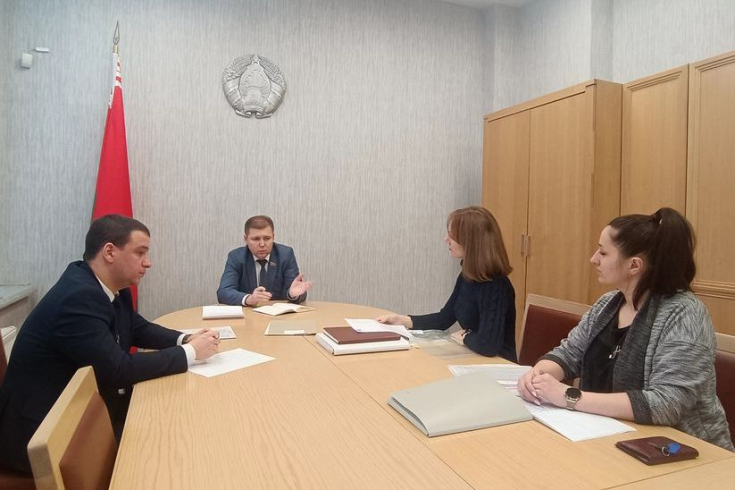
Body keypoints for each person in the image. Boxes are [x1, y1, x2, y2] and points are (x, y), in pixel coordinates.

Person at [0, 215, 221, 473]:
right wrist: (191, 352)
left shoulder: (108, 285)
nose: (148, 262)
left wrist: (185, 338)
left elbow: (136, 327)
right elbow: (118, 370)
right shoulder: (78, 296)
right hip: (43, 433)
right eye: (140, 252)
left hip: (80, 412)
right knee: (166, 452)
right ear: (109, 252)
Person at [517, 208, 734, 451]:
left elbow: (667, 404)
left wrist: (570, 397)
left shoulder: (685, 313)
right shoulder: (607, 304)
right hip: (607, 435)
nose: (594, 259)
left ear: (634, 265)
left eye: (603, 252)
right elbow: (569, 353)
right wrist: (538, 376)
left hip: (681, 450)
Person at [377, 206, 516, 361]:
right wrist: (401, 320)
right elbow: (444, 318)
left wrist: (465, 336)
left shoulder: (495, 285)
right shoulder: (467, 276)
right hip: (475, 357)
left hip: (499, 364)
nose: (446, 239)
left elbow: (488, 345)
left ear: (470, 241)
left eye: (452, 235)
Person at [217, 215, 312, 306]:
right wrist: (249, 299)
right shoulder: (236, 257)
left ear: (273, 237)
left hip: (278, 315)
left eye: (267, 238)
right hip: (248, 313)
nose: (262, 244)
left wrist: (292, 294)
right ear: (246, 239)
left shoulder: (285, 255)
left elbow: (297, 289)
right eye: (256, 239)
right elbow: (224, 292)